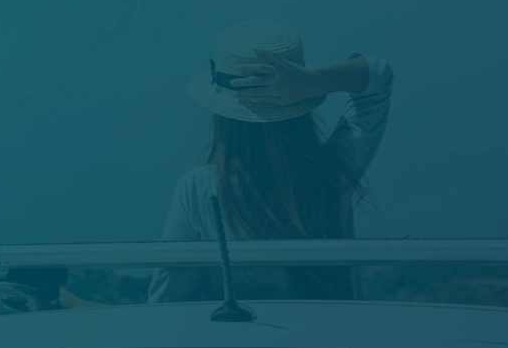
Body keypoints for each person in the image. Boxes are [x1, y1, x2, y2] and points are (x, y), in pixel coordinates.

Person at [148, 20, 393, 303]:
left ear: (222, 113)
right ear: (301, 103)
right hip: (334, 342)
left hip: (241, 346)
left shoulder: (198, 188)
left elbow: (169, 299)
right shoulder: (331, 172)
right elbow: (379, 77)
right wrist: (312, 81)